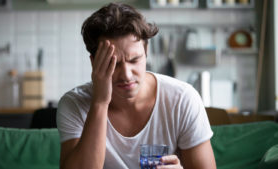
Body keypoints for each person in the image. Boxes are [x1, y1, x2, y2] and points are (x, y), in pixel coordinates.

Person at [56, 3, 216, 169]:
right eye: (114, 63)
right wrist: (100, 102)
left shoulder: (183, 99)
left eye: (134, 60)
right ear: (94, 62)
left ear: (146, 53)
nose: (126, 74)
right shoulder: (74, 104)